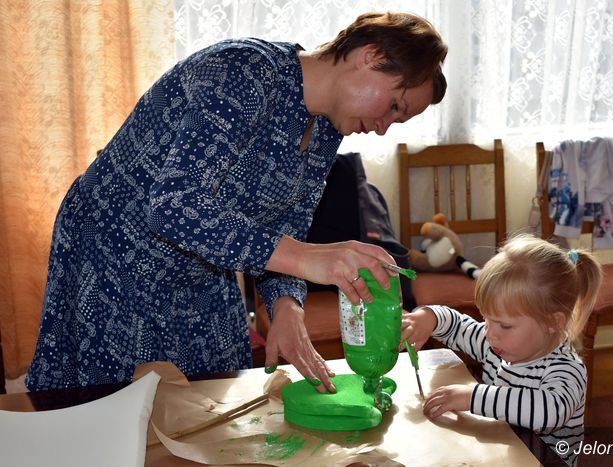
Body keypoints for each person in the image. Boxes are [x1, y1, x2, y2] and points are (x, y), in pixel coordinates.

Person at [26, 11, 447, 392]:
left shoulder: (325, 130)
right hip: (113, 255)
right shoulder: (244, 72)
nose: (383, 128)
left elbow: (286, 227)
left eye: (398, 119)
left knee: (213, 404)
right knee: (115, 415)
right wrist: (307, 259)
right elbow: (174, 206)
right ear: (370, 55)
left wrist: (287, 306)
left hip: (202, 269)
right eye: (394, 105)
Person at [401, 234, 602, 465]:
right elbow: (457, 326)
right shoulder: (496, 343)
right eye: (486, 319)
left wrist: (472, 397)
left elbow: (549, 412)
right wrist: (429, 318)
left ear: (553, 322)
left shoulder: (567, 369)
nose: (489, 333)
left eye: (504, 325)